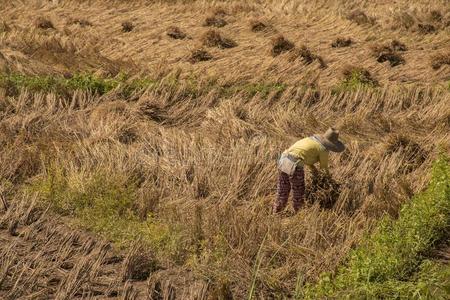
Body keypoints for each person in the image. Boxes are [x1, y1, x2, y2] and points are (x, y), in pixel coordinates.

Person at [273, 128, 345, 214]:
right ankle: (298, 212)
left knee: (283, 188)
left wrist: (314, 170)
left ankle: (277, 211)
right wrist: (329, 181)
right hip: (294, 165)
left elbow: (304, 155)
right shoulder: (323, 149)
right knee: (298, 190)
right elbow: (324, 167)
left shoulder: (310, 140)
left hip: (283, 160)